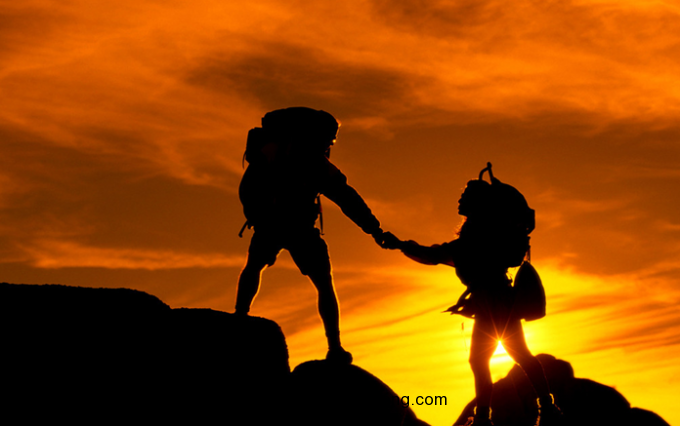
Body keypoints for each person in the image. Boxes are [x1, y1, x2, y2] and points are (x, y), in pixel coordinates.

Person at [382, 164, 563, 426]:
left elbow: (437, 255)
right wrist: (403, 246)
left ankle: (501, 415)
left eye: (465, 195)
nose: (460, 199)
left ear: (477, 203)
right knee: (511, 355)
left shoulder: (477, 236)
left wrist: (401, 245)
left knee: (498, 357)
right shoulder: (481, 234)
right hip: (495, 301)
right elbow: (441, 254)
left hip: (493, 302)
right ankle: (540, 409)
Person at [234, 107, 385, 363]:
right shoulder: (316, 164)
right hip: (297, 228)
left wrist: (258, 216)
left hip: (271, 225)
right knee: (323, 283)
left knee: (255, 266)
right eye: (329, 139)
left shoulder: (272, 152)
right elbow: (347, 198)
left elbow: (247, 188)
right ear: (317, 135)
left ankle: (239, 317)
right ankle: (334, 347)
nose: (330, 144)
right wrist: (375, 229)